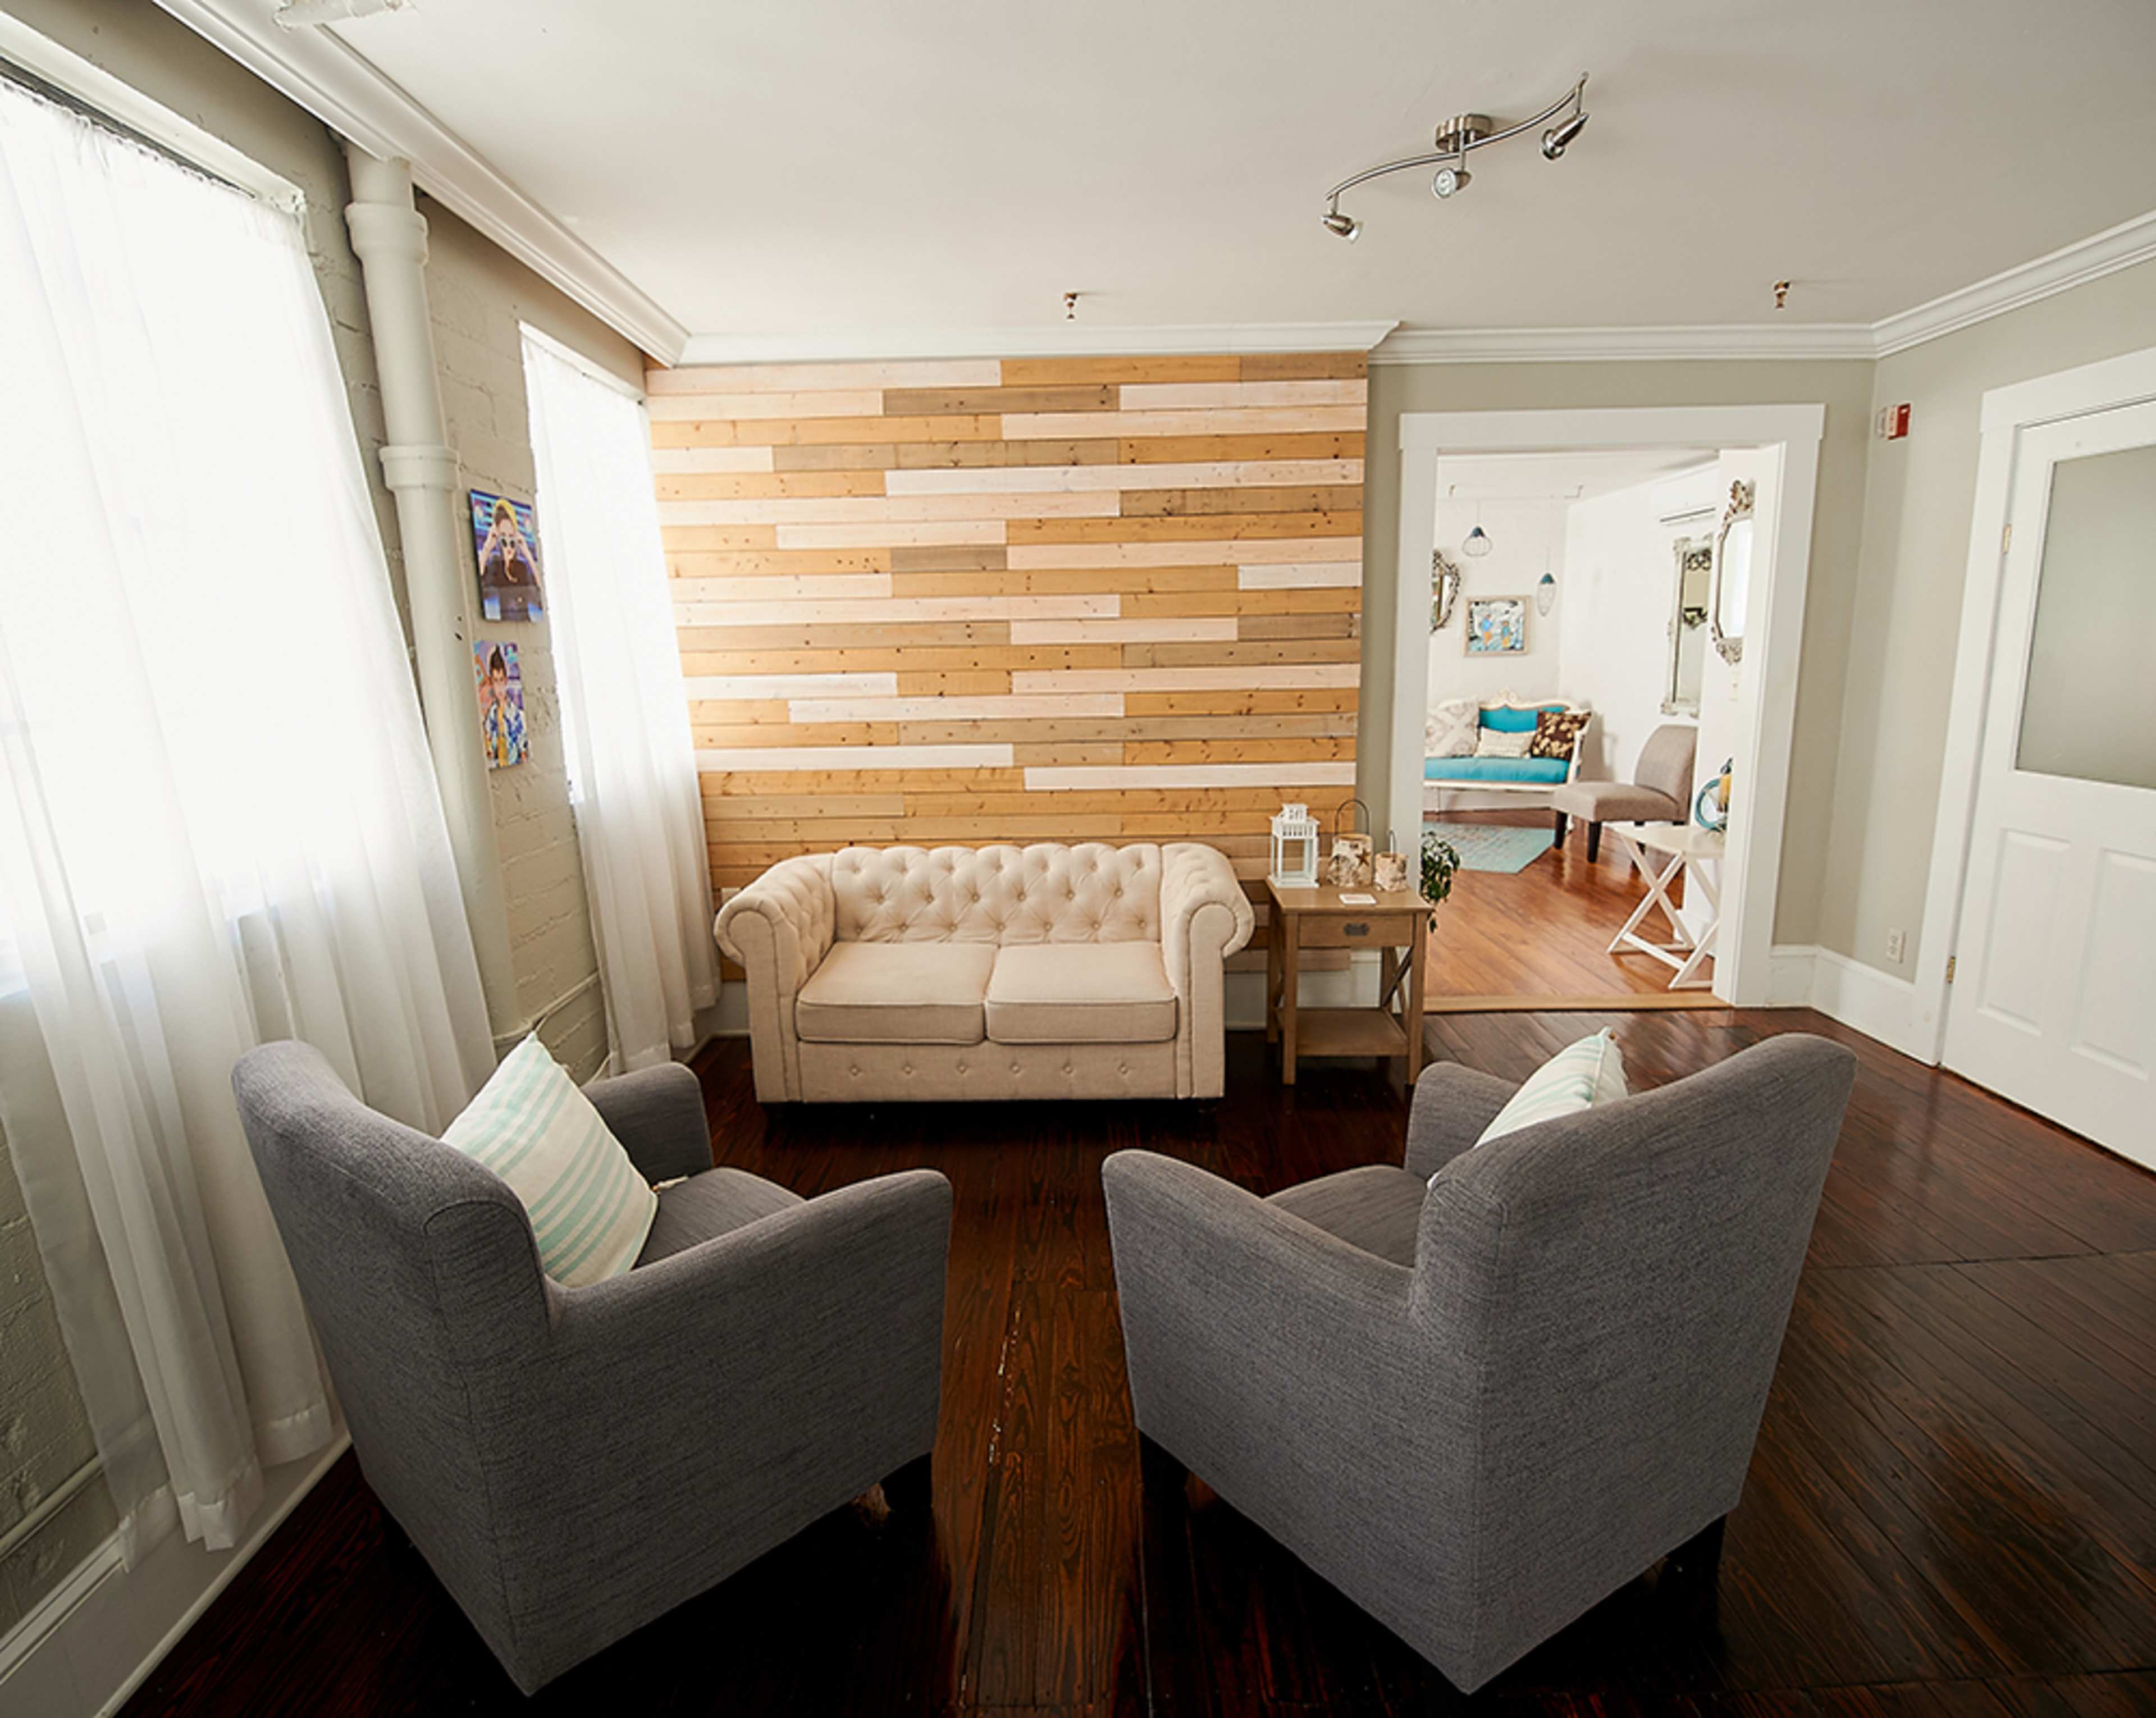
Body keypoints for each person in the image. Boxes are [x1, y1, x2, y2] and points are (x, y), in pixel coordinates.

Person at [476, 497, 540, 620]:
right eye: (504, 539)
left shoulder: (521, 567)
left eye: (512, 538)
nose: (509, 546)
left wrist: (527, 554)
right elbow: (479, 589)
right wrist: (487, 548)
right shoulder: (496, 566)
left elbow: (538, 595)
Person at [478, 645, 524, 767]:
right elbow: (487, 736)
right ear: (491, 682)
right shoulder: (492, 713)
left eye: (501, 680)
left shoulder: (515, 713)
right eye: (495, 680)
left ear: (505, 681)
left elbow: (521, 741)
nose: (499, 687)